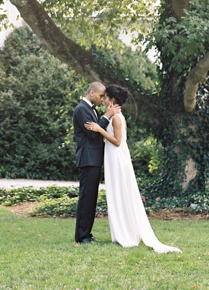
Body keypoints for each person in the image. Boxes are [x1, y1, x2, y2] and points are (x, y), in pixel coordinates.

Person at [85, 85, 181, 253]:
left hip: (117, 157)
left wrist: (99, 130)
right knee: (116, 194)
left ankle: (126, 234)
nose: (104, 100)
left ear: (112, 100)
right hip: (113, 156)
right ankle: (121, 231)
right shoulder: (113, 116)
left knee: (121, 193)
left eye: (106, 97)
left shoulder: (117, 118)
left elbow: (117, 141)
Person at [73, 81, 120, 244]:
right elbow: (93, 135)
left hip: (94, 159)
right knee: (86, 198)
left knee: (91, 198)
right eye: (101, 96)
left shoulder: (91, 110)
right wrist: (107, 116)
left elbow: (97, 132)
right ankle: (82, 236)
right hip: (87, 160)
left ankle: (87, 233)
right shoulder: (81, 110)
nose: (102, 99)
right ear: (91, 93)